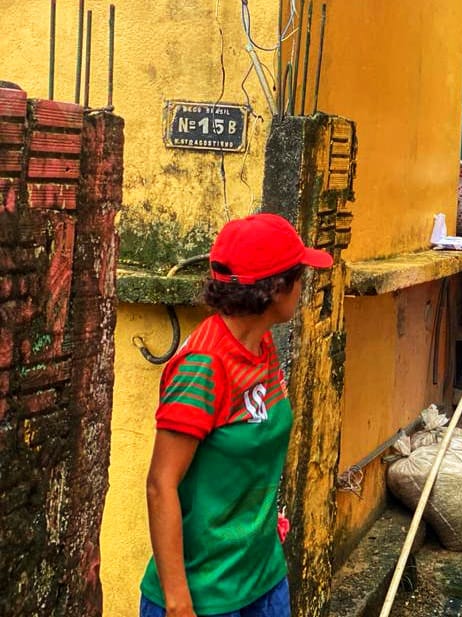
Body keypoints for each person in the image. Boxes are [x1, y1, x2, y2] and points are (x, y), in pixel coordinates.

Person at [139, 213, 334, 617]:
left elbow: (254, 444)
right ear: (277, 288)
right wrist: (178, 604)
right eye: (300, 276)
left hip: (263, 581)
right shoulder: (203, 366)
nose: (304, 287)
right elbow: (161, 485)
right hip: (206, 596)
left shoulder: (262, 348)